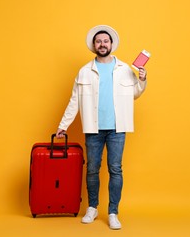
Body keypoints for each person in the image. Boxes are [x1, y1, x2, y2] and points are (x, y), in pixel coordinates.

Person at [55, 25, 147, 230]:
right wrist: (63, 125)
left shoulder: (124, 69)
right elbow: (74, 100)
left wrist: (141, 79)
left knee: (115, 169)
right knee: (92, 169)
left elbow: (135, 93)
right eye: (99, 41)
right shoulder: (85, 71)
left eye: (106, 41)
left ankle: (113, 212)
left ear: (111, 44)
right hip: (93, 129)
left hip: (117, 128)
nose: (102, 44)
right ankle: (92, 208)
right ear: (94, 45)